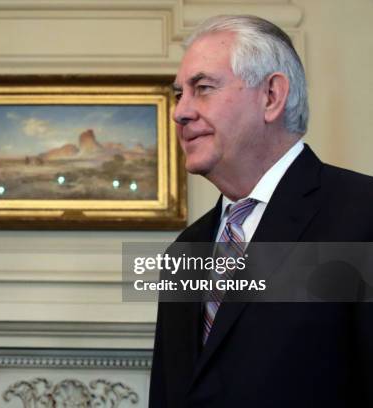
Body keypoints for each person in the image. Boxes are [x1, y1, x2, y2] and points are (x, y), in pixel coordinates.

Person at [149, 15, 373, 407]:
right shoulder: (183, 251)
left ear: (271, 96)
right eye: (178, 93)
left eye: (202, 88)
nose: (179, 112)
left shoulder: (362, 215)